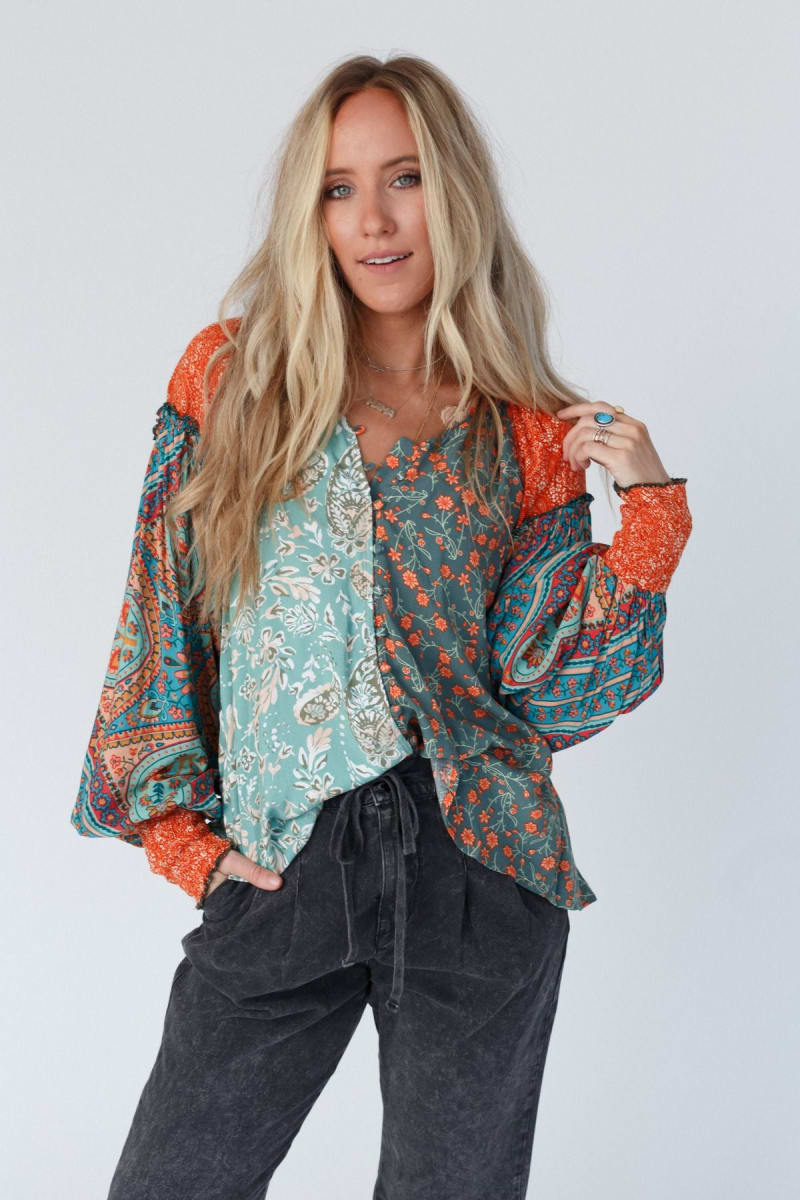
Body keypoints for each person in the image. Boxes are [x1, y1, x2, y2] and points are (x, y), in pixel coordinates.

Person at [71, 54, 692, 1200]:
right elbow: (159, 617)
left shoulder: (523, 428)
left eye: (403, 178)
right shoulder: (235, 378)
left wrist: (649, 514)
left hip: (478, 868)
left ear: (452, 193)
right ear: (309, 213)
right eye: (338, 187)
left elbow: (542, 690)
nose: (373, 219)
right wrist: (184, 843)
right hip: (285, 860)